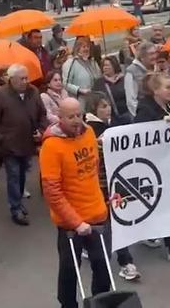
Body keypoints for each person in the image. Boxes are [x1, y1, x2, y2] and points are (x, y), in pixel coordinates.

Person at [40, 98, 112, 308]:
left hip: (98, 215)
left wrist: (105, 198)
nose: (76, 120)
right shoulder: (52, 146)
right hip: (71, 224)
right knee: (70, 270)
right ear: (59, 118)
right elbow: (53, 192)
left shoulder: (89, 133)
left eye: (79, 115)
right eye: (70, 117)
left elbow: (93, 171)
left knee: (103, 267)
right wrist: (76, 222)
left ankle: (99, 303)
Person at [134, 72, 170, 267]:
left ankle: (149, 233)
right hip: (153, 166)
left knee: (161, 204)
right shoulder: (145, 111)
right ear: (155, 91)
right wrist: (161, 126)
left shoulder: (167, 104)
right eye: (167, 87)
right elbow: (140, 138)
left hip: (167, 163)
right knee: (164, 205)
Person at [83, 93, 141, 281]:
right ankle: (124, 262)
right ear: (94, 110)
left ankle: (117, 259)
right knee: (112, 222)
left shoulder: (109, 126)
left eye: (108, 105)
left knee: (111, 221)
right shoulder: (92, 130)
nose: (107, 109)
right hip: (101, 184)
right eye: (102, 106)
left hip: (111, 182)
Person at [0, 64, 47, 226]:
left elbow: (42, 114)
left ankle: (18, 201)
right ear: (11, 79)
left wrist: (41, 130)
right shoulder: (0, 95)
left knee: (21, 174)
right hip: (9, 146)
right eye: (22, 79)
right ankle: (15, 209)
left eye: (27, 78)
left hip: (28, 143)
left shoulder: (33, 92)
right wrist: (1, 138)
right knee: (13, 176)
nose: (25, 81)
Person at [92, 56, 129, 124]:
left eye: (107, 65)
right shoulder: (99, 83)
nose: (105, 68)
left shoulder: (123, 79)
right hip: (110, 118)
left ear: (114, 65)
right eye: (103, 66)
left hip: (127, 115)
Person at [124, 41, 156, 118]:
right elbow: (131, 101)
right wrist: (139, 116)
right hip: (143, 117)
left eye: (155, 53)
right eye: (151, 54)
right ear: (142, 57)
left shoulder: (156, 68)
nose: (155, 56)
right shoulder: (131, 72)